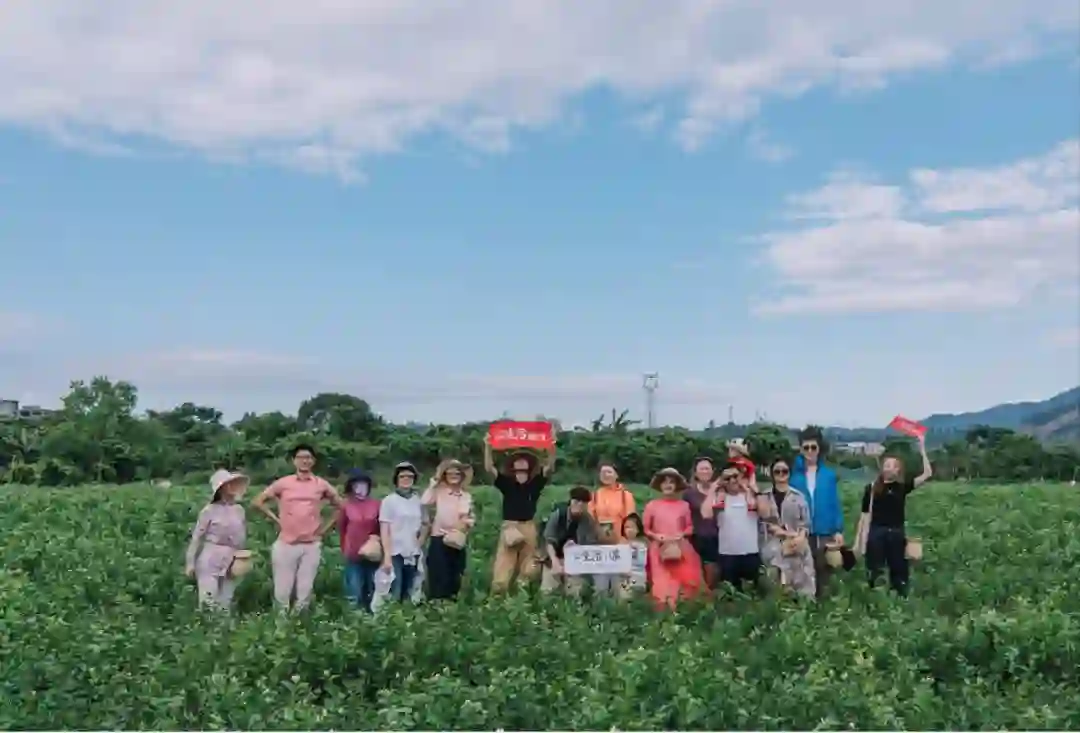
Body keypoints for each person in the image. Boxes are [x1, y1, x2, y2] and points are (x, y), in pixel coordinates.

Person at [252, 444, 343, 612]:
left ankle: (299, 622)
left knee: (305, 590)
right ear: (294, 461)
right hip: (286, 543)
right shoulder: (283, 483)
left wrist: (325, 529)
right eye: (300, 457)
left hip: (311, 544)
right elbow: (258, 501)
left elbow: (341, 506)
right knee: (282, 590)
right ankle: (281, 623)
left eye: (308, 457)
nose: (304, 461)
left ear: (313, 461)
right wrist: (276, 519)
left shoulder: (321, 484)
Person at [859, 436, 932, 596]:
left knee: (899, 570)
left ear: (898, 470)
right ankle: (876, 599)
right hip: (877, 533)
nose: (889, 468)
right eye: (887, 465)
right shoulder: (871, 488)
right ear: (882, 468)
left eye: (893, 466)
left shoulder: (902, 487)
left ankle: (900, 597)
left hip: (896, 533)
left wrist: (922, 450)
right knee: (875, 570)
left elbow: (927, 474)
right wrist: (862, 541)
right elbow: (865, 516)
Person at [483, 436, 557, 594]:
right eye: (518, 460)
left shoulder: (535, 482)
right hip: (510, 525)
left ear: (530, 465)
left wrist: (552, 446)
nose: (521, 462)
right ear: (513, 465)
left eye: (524, 460)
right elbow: (489, 468)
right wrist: (488, 447)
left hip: (528, 525)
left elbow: (550, 467)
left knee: (528, 563)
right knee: (505, 561)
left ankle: (522, 593)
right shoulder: (506, 482)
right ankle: (499, 593)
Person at [788, 427, 844, 599]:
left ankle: (823, 605)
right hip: (801, 531)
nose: (810, 451)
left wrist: (838, 529)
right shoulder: (794, 476)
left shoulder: (828, 475)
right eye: (806, 448)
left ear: (819, 449)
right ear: (800, 449)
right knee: (802, 568)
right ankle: (804, 602)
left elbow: (834, 502)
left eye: (814, 447)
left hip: (824, 529)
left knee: (823, 569)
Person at [185, 469, 250, 611]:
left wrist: (242, 556)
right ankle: (206, 623)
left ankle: (223, 624)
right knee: (208, 600)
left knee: (225, 601)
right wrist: (190, 562)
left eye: (233, 483)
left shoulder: (239, 510)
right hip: (211, 556)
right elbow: (197, 538)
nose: (232, 487)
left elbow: (242, 536)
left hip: (231, 558)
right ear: (221, 489)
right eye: (228, 484)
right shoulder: (209, 510)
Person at [643, 468, 703, 609]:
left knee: (684, 579)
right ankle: (662, 611)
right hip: (659, 548)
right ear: (660, 486)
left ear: (676, 486)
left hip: (680, 546)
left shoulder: (684, 505)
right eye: (664, 482)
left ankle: (683, 610)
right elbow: (646, 529)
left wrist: (681, 534)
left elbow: (689, 527)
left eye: (671, 482)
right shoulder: (652, 505)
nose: (668, 485)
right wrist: (656, 536)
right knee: (662, 581)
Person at [758, 457, 816, 598]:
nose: (781, 474)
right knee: (775, 584)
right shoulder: (764, 496)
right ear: (772, 474)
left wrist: (799, 538)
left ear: (789, 473)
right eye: (777, 471)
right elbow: (764, 522)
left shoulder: (799, 496)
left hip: (797, 544)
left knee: (803, 581)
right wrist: (785, 534)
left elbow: (806, 523)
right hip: (773, 546)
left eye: (784, 471)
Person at [421, 459, 476, 600]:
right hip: (439, 537)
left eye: (457, 473)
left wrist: (466, 524)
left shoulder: (466, 495)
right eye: (450, 473)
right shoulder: (440, 491)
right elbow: (425, 501)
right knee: (438, 573)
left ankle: (452, 603)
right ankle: (436, 603)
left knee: (456, 572)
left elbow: (470, 516)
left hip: (457, 539)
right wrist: (435, 479)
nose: (453, 476)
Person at [702, 466, 762, 594]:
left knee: (751, 593)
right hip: (727, 553)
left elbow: (765, 513)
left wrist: (751, 488)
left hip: (750, 552)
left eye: (735, 477)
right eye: (727, 478)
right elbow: (706, 514)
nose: (732, 481)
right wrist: (713, 489)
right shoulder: (720, 499)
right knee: (731, 594)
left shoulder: (750, 497)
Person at [540, 486, 601, 597]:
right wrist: (555, 561)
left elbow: (590, 546)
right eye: (576, 501)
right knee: (548, 592)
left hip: (576, 560)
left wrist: (576, 549)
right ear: (571, 501)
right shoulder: (558, 515)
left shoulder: (588, 521)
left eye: (583, 503)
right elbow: (549, 540)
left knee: (575, 593)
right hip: (554, 556)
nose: (579, 505)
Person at [379, 461, 425, 603]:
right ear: (396, 479)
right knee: (395, 589)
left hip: (413, 552)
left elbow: (425, 523)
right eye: (402, 476)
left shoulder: (418, 501)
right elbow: (385, 529)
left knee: (410, 589)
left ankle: (407, 615)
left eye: (410, 476)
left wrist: (420, 542)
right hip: (395, 552)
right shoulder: (389, 501)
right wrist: (387, 556)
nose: (406, 479)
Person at [588, 463, 637, 596]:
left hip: (620, 543)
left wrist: (626, 541)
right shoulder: (595, 495)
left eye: (609, 472)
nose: (605, 475)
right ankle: (601, 606)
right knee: (600, 586)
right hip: (600, 544)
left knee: (620, 585)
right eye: (602, 472)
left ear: (616, 475)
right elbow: (590, 519)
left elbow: (631, 521)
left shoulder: (626, 496)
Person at [337, 469, 381, 611]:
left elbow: (382, 526)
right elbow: (342, 528)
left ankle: (372, 614)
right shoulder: (346, 506)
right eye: (357, 485)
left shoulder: (377, 504)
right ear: (351, 487)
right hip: (353, 552)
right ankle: (354, 615)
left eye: (363, 485)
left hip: (372, 552)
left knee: (372, 585)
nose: (360, 489)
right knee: (354, 587)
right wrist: (344, 548)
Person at [682, 457, 721, 589]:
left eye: (707, 469)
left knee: (717, 573)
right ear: (696, 473)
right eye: (702, 469)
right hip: (698, 538)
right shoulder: (689, 493)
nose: (705, 471)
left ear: (712, 471)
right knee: (703, 574)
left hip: (719, 536)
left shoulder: (720, 491)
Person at [618, 513, 648, 599]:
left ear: (638, 529)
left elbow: (640, 562)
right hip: (623, 581)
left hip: (637, 579)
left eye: (632, 527)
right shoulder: (621, 544)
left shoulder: (641, 545)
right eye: (626, 527)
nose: (629, 530)